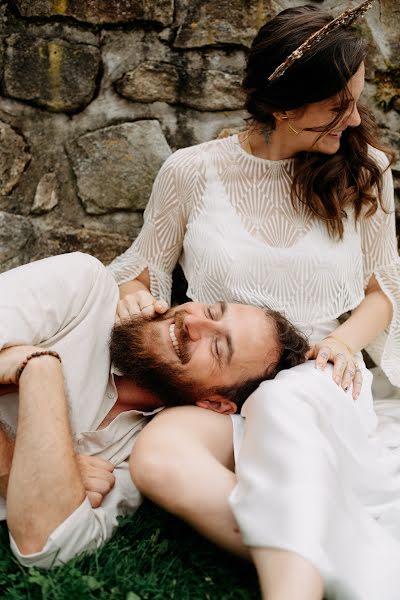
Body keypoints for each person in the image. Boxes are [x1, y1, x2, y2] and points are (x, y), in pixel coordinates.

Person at [108, 1, 400, 598]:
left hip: (316, 371)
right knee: (158, 459)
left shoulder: (364, 169)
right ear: (279, 106)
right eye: (334, 108)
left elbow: (383, 291)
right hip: (222, 389)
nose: (352, 120)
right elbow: (140, 270)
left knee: (286, 399)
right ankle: (351, 562)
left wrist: (343, 344)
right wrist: (134, 295)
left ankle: (294, 585)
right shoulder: (191, 171)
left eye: (356, 99)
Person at [0, 251, 307, 569]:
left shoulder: (145, 448)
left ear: (215, 403)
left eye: (217, 347)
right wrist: (31, 471)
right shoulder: (84, 288)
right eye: (211, 310)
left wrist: (39, 370)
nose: (193, 322)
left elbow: (49, 548)